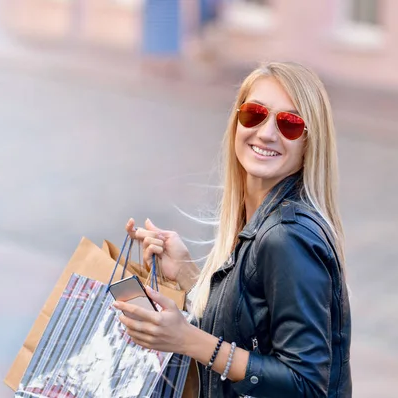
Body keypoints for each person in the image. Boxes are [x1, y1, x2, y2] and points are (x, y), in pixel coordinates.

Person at [113, 61, 352, 397]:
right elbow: (248, 324)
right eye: (255, 114)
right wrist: (186, 274)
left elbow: (307, 385)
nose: (267, 133)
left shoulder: (288, 237)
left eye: (290, 124)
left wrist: (188, 339)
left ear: (309, 144)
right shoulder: (261, 221)